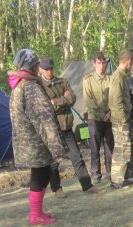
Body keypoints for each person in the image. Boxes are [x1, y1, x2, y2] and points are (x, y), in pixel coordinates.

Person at [8, 48, 66, 225]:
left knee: (44, 172)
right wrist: (55, 145)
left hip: (28, 140)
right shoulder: (30, 87)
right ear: (33, 66)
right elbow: (43, 119)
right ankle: (35, 215)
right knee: (40, 174)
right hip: (36, 141)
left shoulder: (19, 85)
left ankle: (38, 211)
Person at [39, 57, 99, 197]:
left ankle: (87, 185)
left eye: (51, 68)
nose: (49, 72)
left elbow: (72, 98)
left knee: (77, 157)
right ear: (41, 69)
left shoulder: (62, 81)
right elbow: (46, 106)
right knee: (54, 162)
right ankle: (57, 189)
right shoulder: (39, 86)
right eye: (46, 69)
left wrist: (56, 102)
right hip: (51, 129)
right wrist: (62, 101)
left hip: (66, 126)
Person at [109, 48, 133, 188]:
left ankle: (126, 176)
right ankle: (117, 180)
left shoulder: (122, 76)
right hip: (120, 120)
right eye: (132, 63)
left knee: (127, 148)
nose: (132, 66)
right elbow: (116, 101)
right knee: (121, 149)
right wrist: (122, 119)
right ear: (128, 62)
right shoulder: (117, 77)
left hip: (125, 118)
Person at [83, 51, 114, 185]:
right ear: (94, 64)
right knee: (95, 148)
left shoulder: (111, 79)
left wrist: (111, 112)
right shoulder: (87, 79)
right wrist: (102, 114)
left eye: (104, 63)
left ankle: (110, 172)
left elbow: (115, 97)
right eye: (99, 63)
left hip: (109, 118)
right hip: (94, 118)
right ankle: (95, 174)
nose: (102, 66)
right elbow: (89, 100)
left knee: (109, 147)